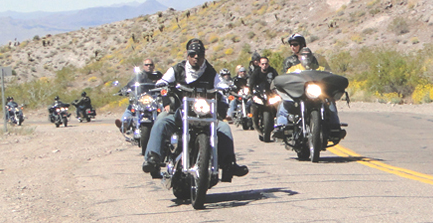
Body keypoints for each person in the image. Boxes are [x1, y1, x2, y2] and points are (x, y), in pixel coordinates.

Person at [142, 38, 249, 181]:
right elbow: (163, 82)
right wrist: (164, 89)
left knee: (224, 127)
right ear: (187, 55)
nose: (196, 58)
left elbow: (221, 84)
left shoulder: (210, 71)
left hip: (204, 113)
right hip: (180, 111)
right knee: (161, 120)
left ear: (204, 56)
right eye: (193, 54)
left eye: (199, 54)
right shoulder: (177, 69)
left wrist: (229, 88)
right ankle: (152, 158)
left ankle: (229, 164)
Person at [274, 46, 345, 140]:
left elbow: (329, 77)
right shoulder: (292, 69)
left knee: (330, 102)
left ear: (312, 57)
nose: (306, 58)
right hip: (298, 96)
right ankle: (281, 125)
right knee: (284, 103)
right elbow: (286, 80)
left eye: (308, 55)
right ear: (299, 58)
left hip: (317, 95)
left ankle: (335, 126)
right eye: (303, 55)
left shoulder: (320, 69)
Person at [115, 58, 163, 133]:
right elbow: (130, 84)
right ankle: (124, 124)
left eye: (150, 65)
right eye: (146, 65)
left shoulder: (158, 75)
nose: (148, 66)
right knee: (131, 107)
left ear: (153, 66)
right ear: (143, 66)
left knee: (164, 108)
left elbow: (166, 82)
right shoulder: (139, 76)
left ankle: (168, 127)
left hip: (154, 99)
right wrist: (123, 90)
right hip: (141, 99)